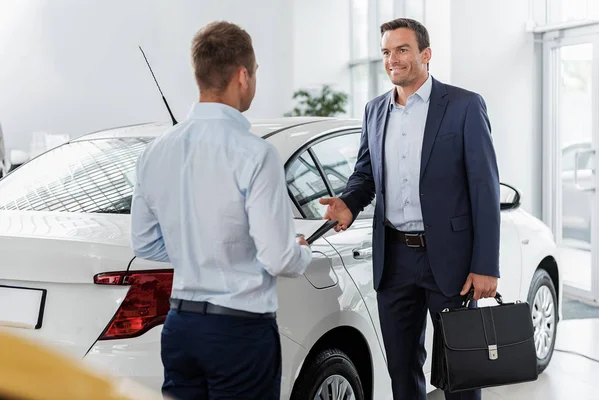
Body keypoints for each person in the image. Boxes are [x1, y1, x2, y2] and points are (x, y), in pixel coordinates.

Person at [130, 21, 312, 400]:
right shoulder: (255, 153)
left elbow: (145, 243)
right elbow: (278, 259)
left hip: (180, 329)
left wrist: (197, 246)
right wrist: (302, 251)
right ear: (242, 75)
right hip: (240, 333)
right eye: (256, 72)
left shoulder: (155, 152)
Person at [319, 18, 500, 400]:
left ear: (426, 54)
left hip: (451, 260)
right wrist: (348, 203)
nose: (392, 60)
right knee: (401, 371)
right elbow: (365, 175)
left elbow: (484, 189)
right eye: (386, 52)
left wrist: (485, 264)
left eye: (402, 50)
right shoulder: (374, 111)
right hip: (395, 258)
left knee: (462, 371)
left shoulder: (464, 106)